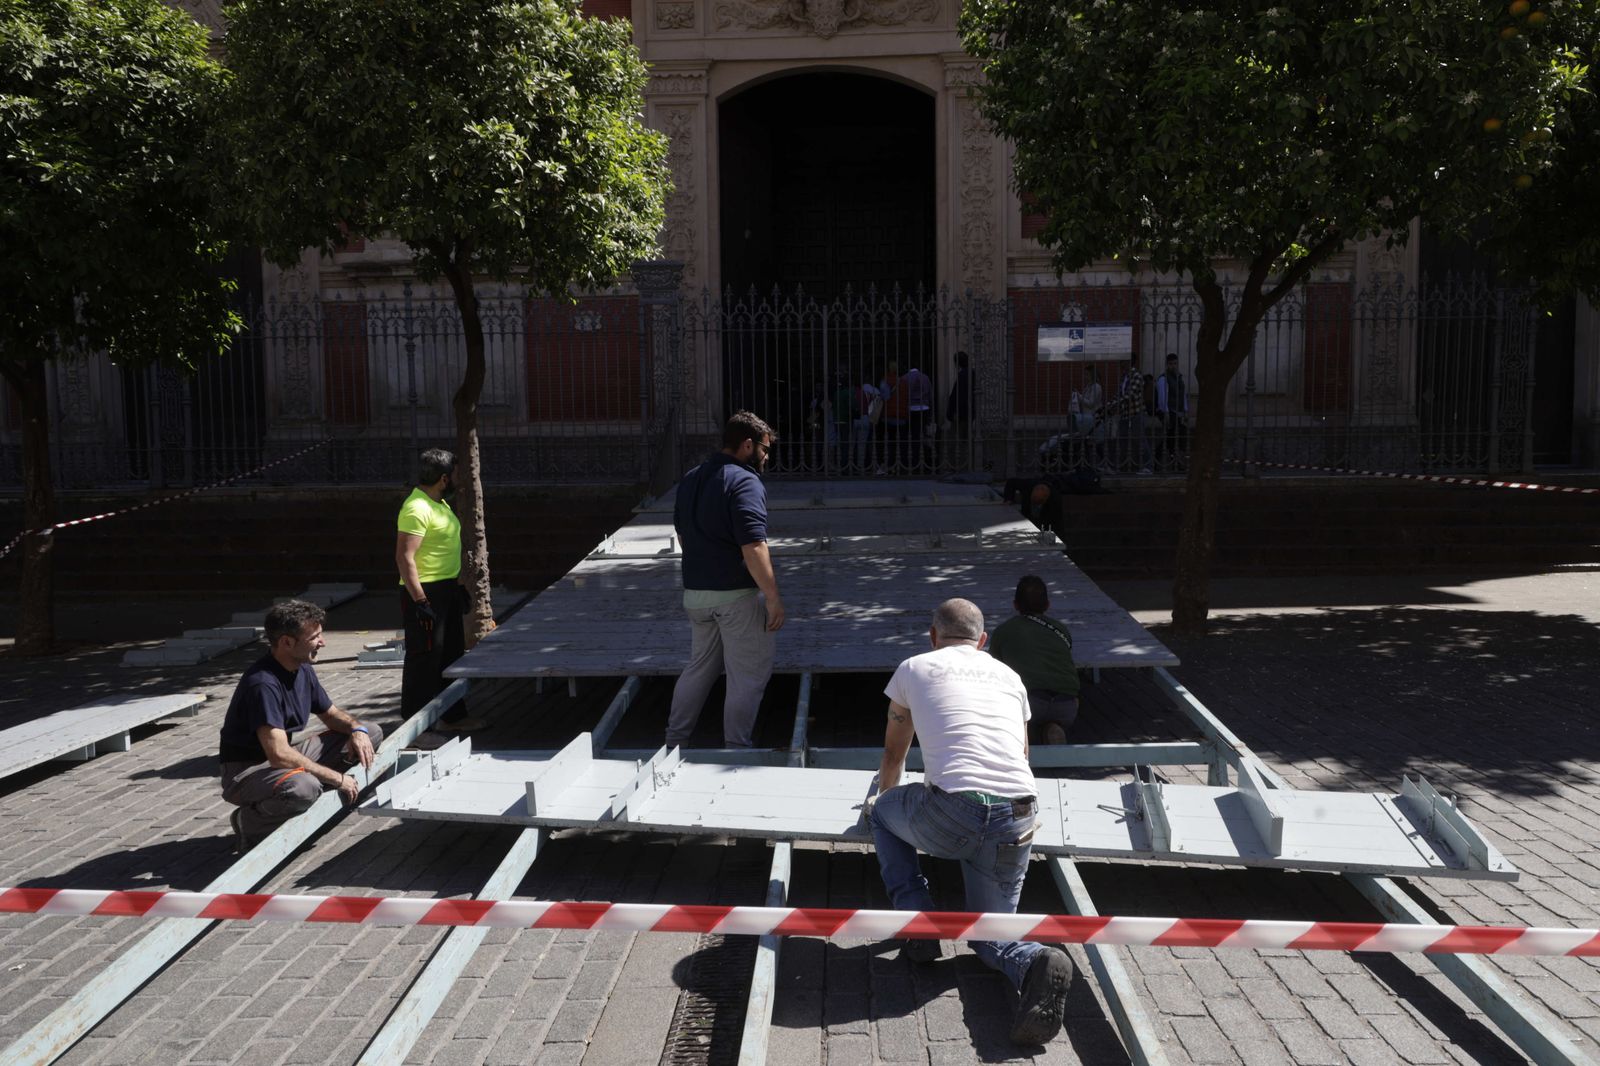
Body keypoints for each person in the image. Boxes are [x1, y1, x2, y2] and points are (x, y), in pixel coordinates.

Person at [868, 598, 1074, 1046]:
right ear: (982, 641)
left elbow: (893, 753)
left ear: (932, 635)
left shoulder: (913, 666)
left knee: (884, 815)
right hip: (1017, 813)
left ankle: (918, 923)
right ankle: (1033, 958)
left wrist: (886, 796)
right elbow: (1021, 756)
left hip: (950, 811)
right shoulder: (1011, 677)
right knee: (988, 934)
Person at [219, 600, 383, 851]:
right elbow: (279, 754)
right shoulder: (262, 684)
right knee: (303, 788)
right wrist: (337, 778)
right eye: (315, 637)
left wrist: (356, 730)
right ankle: (249, 822)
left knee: (370, 733)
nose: (323, 642)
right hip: (246, 773)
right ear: (287, 642)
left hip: (280, 760)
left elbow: (331, 714)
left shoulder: (301, 668)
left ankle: (313, 793)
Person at [666, 411, 786, 749]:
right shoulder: (744, 482)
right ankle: (737, 749)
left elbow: (683, 534)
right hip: (736, 596)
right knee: (747, 675)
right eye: (764, 449)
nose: (766, 457)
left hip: (696, 593)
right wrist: (773, 597)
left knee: (699, 668)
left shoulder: (691, 478)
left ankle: (675, 741)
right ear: (747, 444)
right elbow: (754, 546)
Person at [396, 448, 480, 731]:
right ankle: (415, 728)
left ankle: (453, 716)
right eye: (455, 474)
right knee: (424, 659)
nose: (459, 479)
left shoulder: (439, 504)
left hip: (447, 590)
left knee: (451, 655)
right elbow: (404, 557)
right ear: (444, 478)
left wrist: (457, 587)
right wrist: (420, 600)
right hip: (424, 593)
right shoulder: (416, 509)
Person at [986, 576, 1080, 745]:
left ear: (1015, 605)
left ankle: (1027, 732)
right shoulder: (1061, 629)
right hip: (1067, 705)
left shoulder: (1004, 631)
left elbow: (994, 670)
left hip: (1030, 702)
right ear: (1047, 605)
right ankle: (1053, 726)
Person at [1155, 351, 1189, 471]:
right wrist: (1166, 413)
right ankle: (1173, 462)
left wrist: (1185, 410)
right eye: (1171, 364)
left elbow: (1183, 395)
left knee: (1173, 437)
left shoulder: (1179, 378)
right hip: (1170, 413)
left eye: (1175, 363)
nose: (1173, 366)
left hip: (1178, 413)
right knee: (1172, 438)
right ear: (1167, 364)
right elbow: (1163, 397)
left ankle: (1174, 462)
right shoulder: (1163, 379)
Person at [902, 364, 935, 471]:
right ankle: (924, 461)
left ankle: (912, 461)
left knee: (911, 436)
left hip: (910, 409)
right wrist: (931, 413)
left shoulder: (904, 378)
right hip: (924, 408)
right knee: (923, 435)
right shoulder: (925, 377)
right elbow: (930, 395)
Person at [945, 350, 974, 466]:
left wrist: (954, 412)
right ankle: (967, 464)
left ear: (958, 363)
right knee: (966, 438)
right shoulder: (971, 373)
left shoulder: (963, 375)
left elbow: (960, 396)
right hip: (969, 412)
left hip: (962, 414)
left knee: (961, 440)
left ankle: (962, 465)